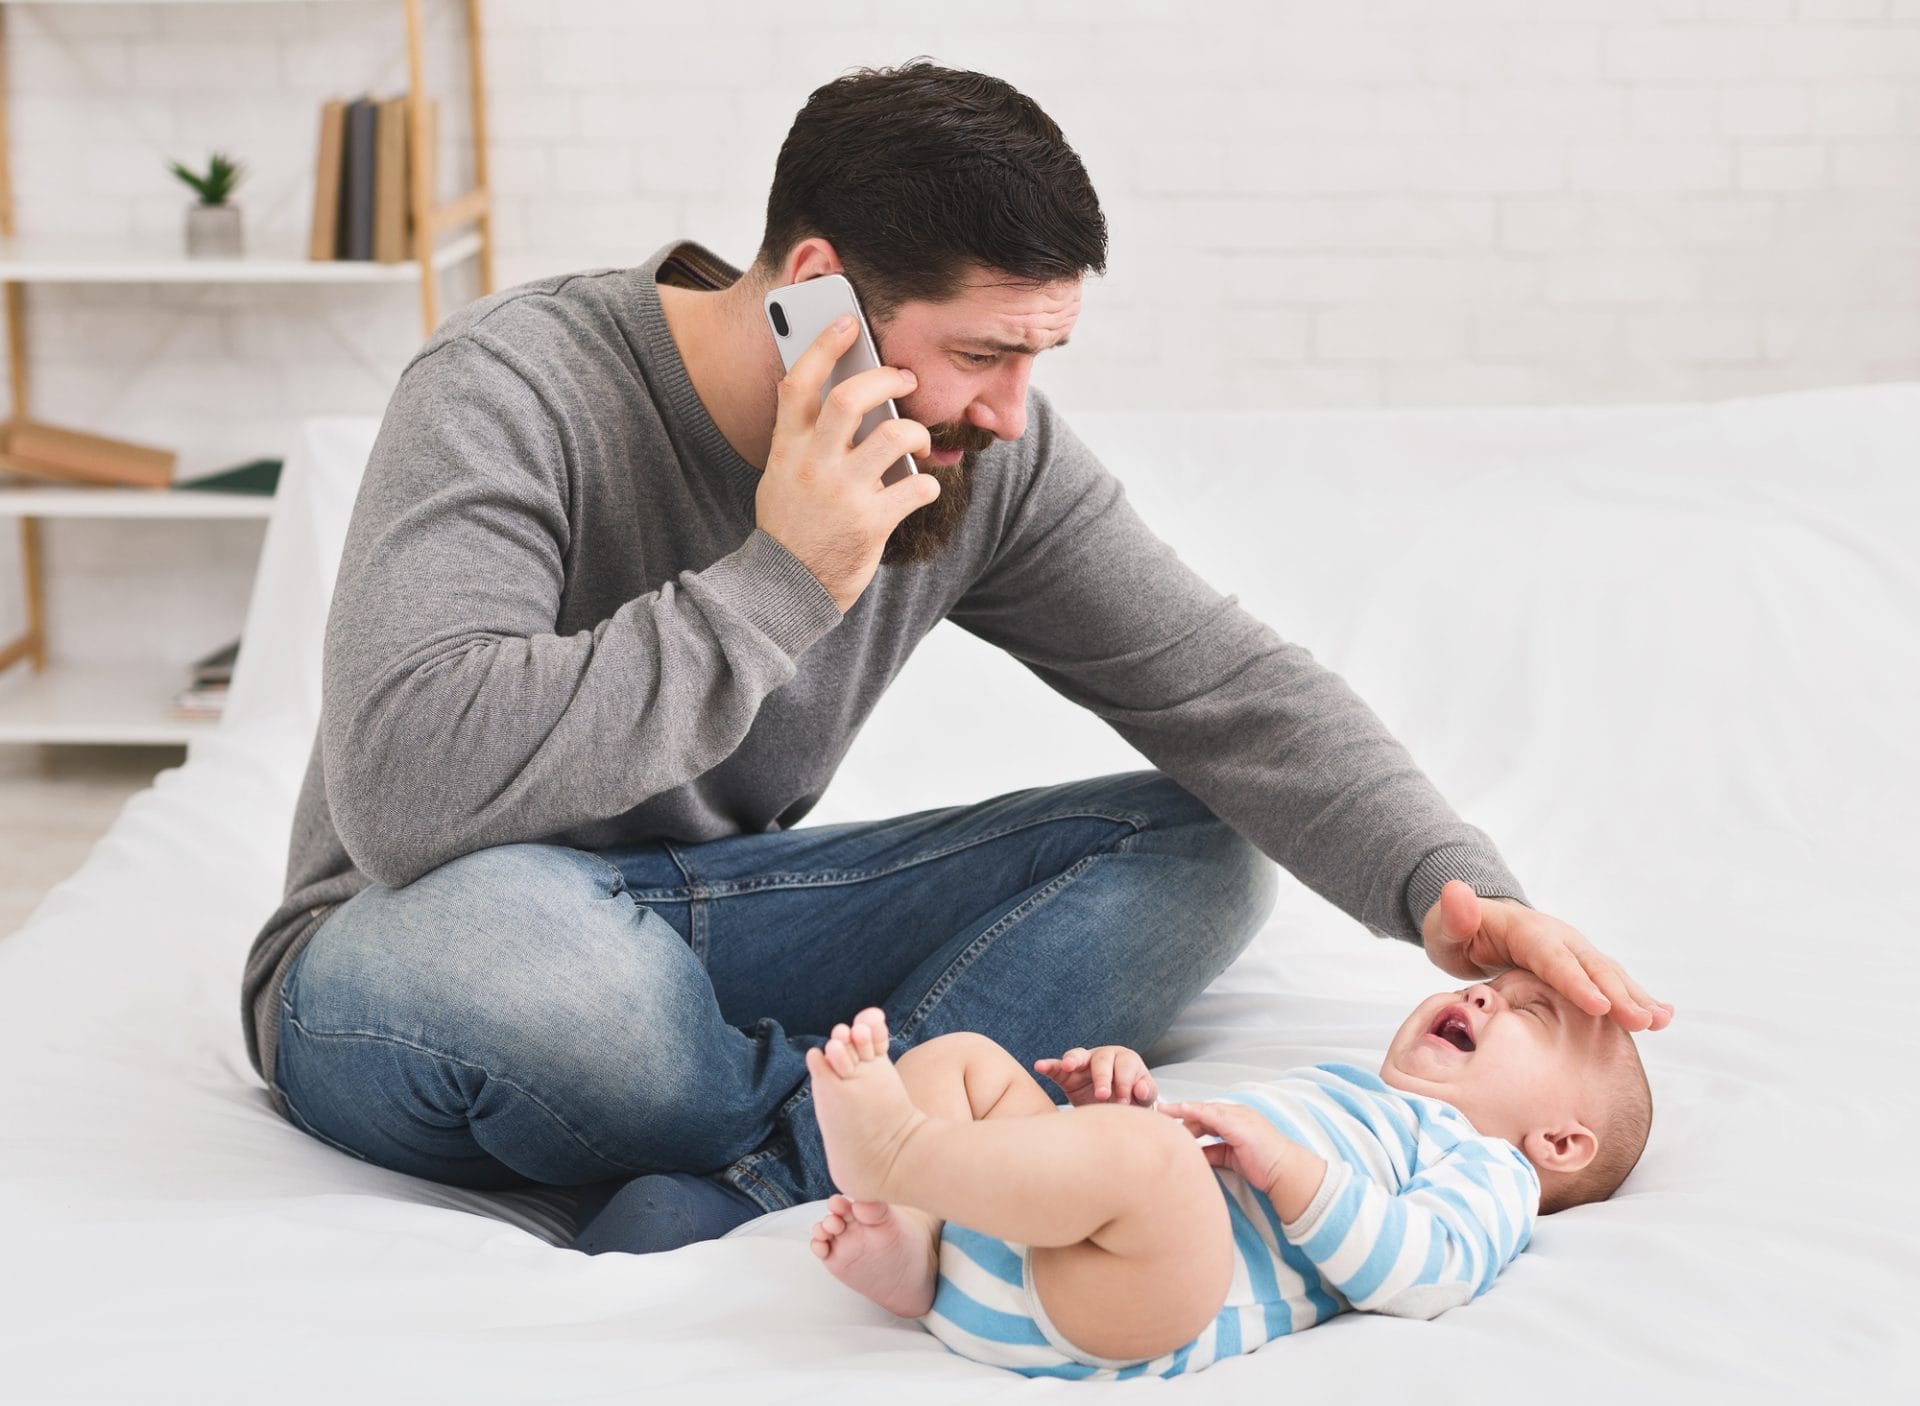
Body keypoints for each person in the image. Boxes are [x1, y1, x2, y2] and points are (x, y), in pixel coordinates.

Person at [238, 59, 1671, 1258]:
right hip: (421, 946)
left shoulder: (984, 452)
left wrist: (1457, 892)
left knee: (1200, 848)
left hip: (710, 920)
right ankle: (875, 1125)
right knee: (544, 971)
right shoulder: (510, 388)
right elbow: (404, 792)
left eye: (1039, 357)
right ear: (819, 291)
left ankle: (792, 1164)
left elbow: (1222, 686)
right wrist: (781, 578)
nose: (1012, 410)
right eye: (984, 353)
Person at [804, 963, 1653, 1380]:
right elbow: (1185, 1165)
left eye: (1528, 1011)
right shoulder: (1342, 1089)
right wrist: (1115, 1107)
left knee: (1153, 1164)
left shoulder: (1490, 1164)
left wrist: (1287, 1170)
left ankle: (899, 1154)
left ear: (1561, 1142)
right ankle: (912, 1245)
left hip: (1126, 1309)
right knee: (968, 1061)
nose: (1480, 996)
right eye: (1485, 984)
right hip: (1034, 1241)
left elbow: (1431, 1270)